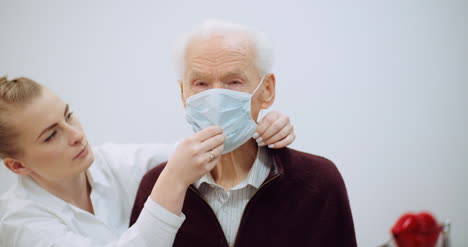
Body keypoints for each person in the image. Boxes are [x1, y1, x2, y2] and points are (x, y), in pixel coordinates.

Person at [130, 20, 357, 247]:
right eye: (200, 83)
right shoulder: (158, 188)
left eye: (234, 82)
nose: (216, 97)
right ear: (183, 94)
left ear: (267, 89)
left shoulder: (317, 182)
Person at [0, 76, 296, 247]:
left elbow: (195, 153)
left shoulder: (110, 162)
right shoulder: (21, 227)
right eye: (51, 136)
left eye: (68, 115)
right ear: (17, 166)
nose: (76, 134)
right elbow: (180, 168)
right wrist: (173, 180)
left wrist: (259, 128)